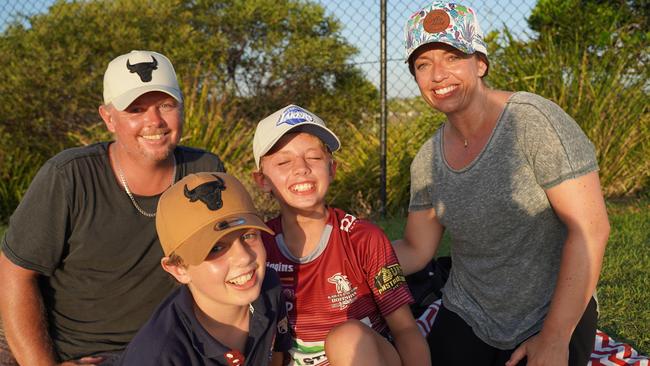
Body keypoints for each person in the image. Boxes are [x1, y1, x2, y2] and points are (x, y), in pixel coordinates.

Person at [394, 2, 610, 366]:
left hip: (549, 309)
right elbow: (417, 248)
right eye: (423, 64)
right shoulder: (428, 159)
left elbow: (590, 229)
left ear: (480, 63)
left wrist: (555, 337)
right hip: (468, 310)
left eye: (451, 57)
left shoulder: (533, 122)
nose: (437, 75)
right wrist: (349, 258)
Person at [0, 50, 225, 365]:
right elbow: (14, 273)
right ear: (108, 117)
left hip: (170, 348)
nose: (155, 121)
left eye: (166, 105)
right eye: (135, 109)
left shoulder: (204, 171)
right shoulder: (69, 176)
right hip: (80, 353)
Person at [251, 105, 431, 366]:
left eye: (313, 157)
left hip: (367, 357)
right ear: (262, 180)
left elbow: (405, 329)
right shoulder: (259, 245)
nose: (301, 168)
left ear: (332, 169)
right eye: (283, 161)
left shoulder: (363, 238)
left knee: (347, 338)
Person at [118, 172, 292, 365]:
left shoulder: (268, 288)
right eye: (216, 248)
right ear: (178, 269)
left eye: (248, 236)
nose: (243, 257)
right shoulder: (160, 356)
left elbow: (277, 356)